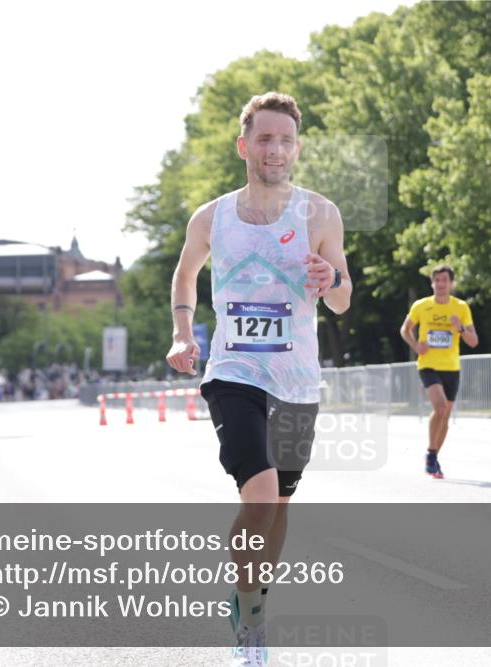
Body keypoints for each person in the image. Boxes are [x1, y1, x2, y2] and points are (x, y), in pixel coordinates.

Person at [165, 91, 351, 667]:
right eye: (265, 138)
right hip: (234, 371)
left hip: (297, 379)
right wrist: (182, 332)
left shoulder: (320, 214)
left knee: (279, 506)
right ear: (245, 145)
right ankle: (250, 619)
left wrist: (329, 277)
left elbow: (342, 299)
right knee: (262, 494)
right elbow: (185, 276)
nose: (276, 149)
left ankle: (251, 599)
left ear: (297, 147)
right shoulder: (211, 217)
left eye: (286, 139)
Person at [400, 265, 478, 479]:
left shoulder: (461, 308)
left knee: (445, 414)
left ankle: (433, 455)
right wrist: (416, 346)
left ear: (451, 283)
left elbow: (473, 341)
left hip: (452, 367)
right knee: (441, 407)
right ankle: (431, 456)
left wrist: (460, 328)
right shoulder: (421, 306)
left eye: (445, 280)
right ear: (432, 283)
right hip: (428, 365)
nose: (441, 284)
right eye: (437, 280)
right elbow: (404, 329)